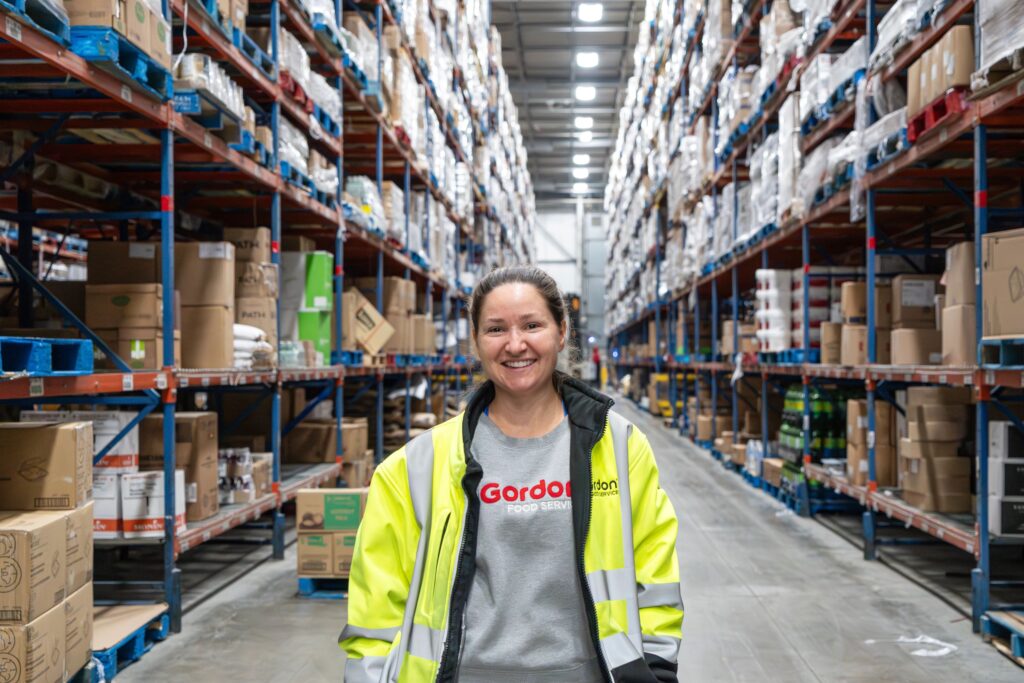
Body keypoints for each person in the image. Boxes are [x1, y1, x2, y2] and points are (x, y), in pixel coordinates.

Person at [339, 266, 683, 683]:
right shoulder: (414, 467)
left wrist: (655, 668)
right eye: (496, 329)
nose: (515, 344)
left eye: (532, 325)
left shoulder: (620, 448)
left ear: (561, 331)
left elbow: (655, 575)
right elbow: (375, 612)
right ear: (476, 341)